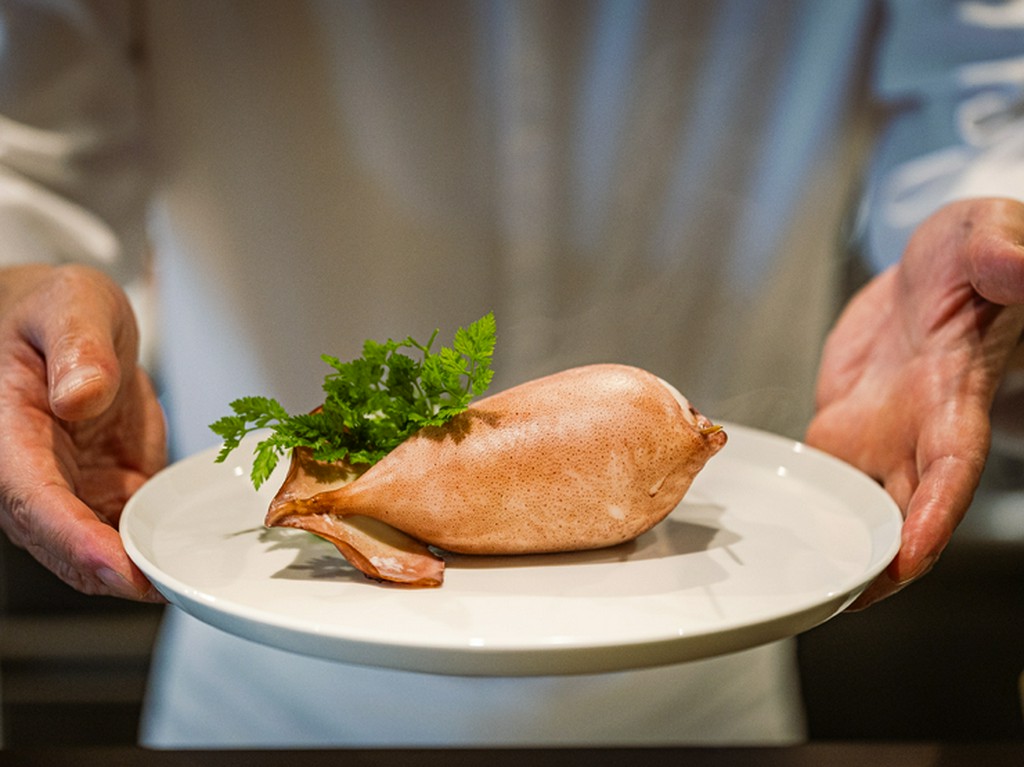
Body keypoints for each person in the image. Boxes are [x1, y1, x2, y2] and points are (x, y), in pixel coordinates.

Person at [1, 0, 1022, 748]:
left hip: (701, 684)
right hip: (263, 687)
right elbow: (27, 123)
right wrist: (13, 276)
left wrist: (988, 235)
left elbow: (987, 85)